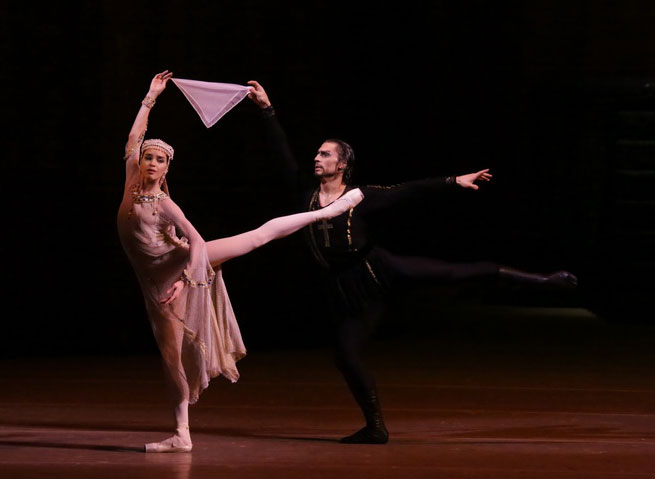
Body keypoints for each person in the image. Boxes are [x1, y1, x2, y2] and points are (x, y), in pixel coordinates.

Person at [247, 81, 578, 444]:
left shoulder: (361, 197)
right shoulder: (304, 194)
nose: (316, 158)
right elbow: (280, 152)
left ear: (342, 164)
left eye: (325, 154)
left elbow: (410, 190)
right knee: (345, 355)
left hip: (375, 269)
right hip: (341, 288)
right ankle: (375, 427)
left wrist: (455, 180)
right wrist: (266, 108)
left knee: (455, 272)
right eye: (317, 153)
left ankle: (543, 281)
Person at [116, 71, 364, 453]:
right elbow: (133, 138)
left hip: (177, 268)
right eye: (148, 156)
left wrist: (185, 278)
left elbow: (197, 243)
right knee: (170, 360)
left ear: (167, 169)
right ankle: (182, 434)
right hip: (152, 283)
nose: (151, 162)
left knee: (254, 238)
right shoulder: (131, 178)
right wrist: (150, 98)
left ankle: (326, 212)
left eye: (159, 159)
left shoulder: (166, 204)